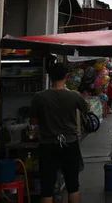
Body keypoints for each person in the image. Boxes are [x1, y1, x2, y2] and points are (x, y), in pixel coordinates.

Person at [30, 63, 90, 203]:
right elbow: (86, 108)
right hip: (70, 143)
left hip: (47, 144)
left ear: (49, 77)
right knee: (72, 185)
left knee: (47, 186)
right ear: (67, 77)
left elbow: (33, 121)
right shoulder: (74, 96)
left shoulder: (39, 97)